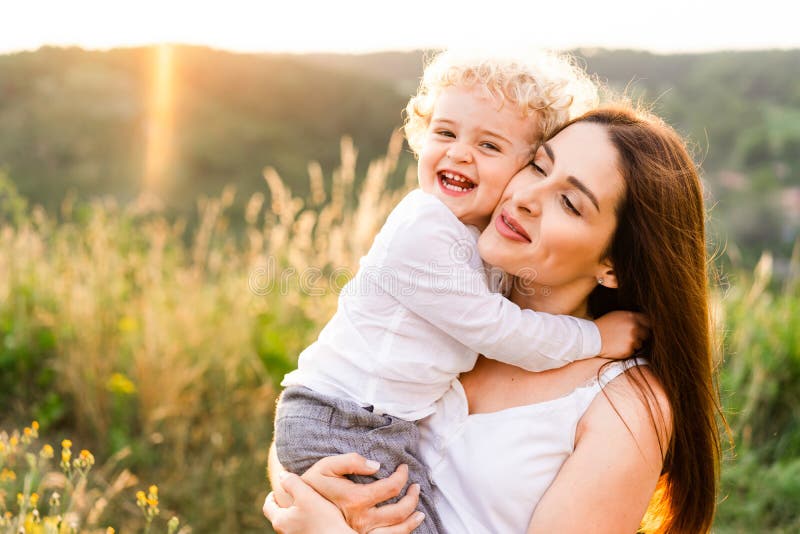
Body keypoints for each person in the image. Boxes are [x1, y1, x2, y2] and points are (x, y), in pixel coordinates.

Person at [264, 105, 724, 534]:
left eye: (570, 203)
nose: (526, 197)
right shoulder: (450, 300)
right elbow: (326, 401)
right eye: (538, 167)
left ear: (615, 266)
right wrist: (300, 480)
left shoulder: (624, 404)